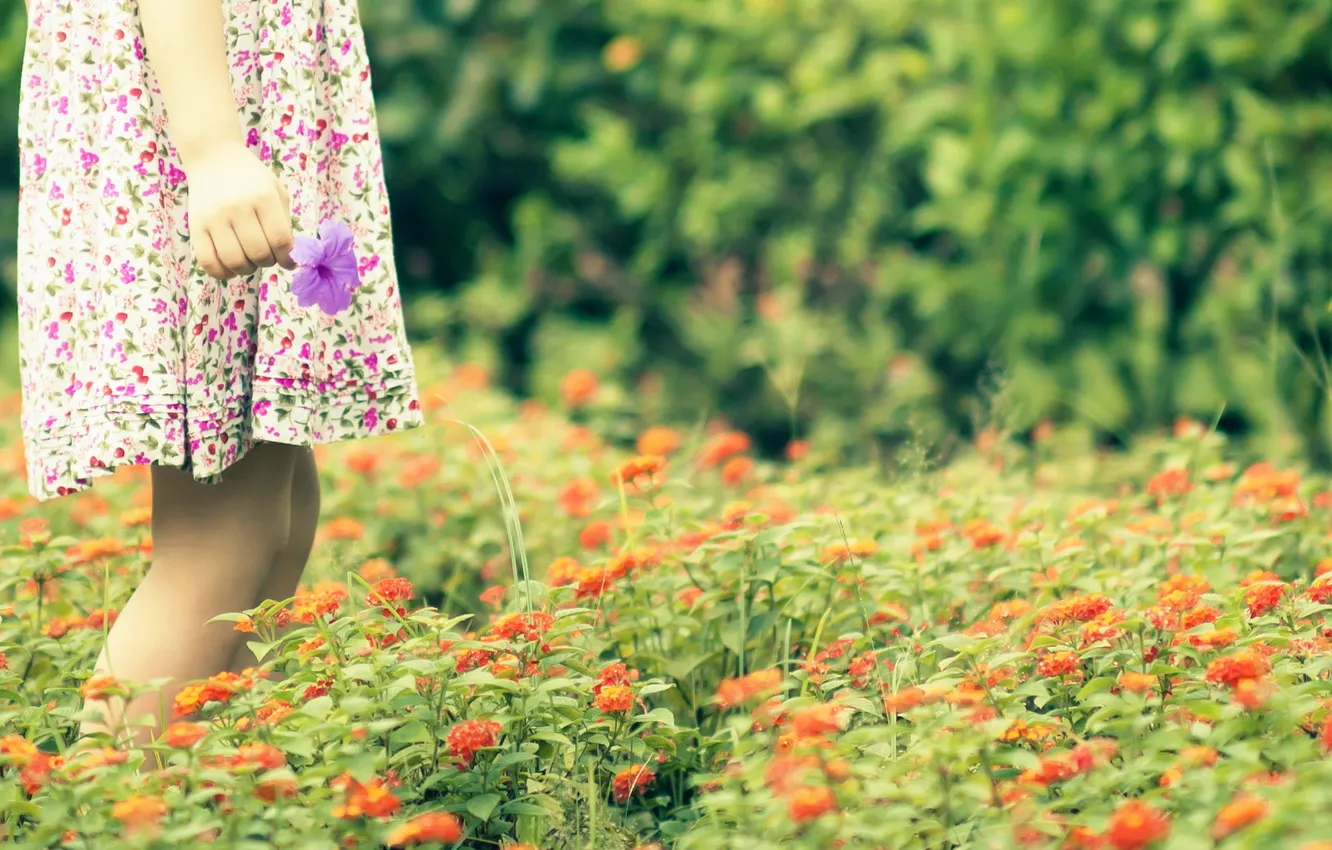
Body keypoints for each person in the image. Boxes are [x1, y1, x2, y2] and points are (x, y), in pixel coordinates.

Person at [14, 0, 422, 748]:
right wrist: (213, 149)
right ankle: (106, 802)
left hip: (217, 107)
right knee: (222, 537)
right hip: (201, 114)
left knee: (276, 520)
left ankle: (199, 793)